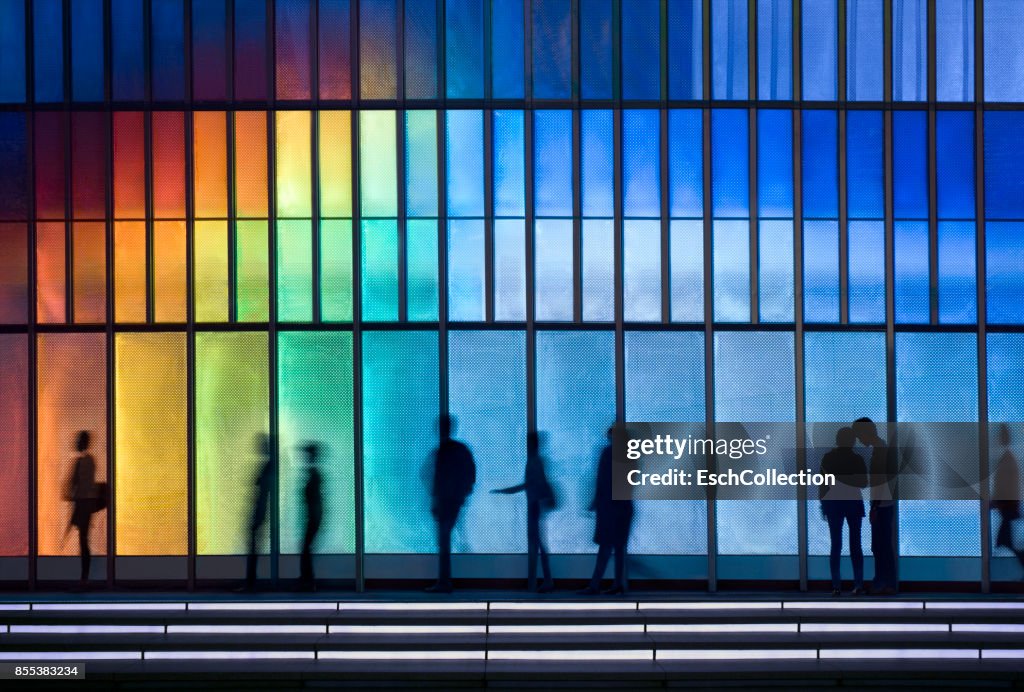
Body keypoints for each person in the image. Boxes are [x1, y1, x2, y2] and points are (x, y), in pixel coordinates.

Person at [492, 432, 557, 593]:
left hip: (535, 505)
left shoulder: (534, 462)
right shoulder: (537, 461)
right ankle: (541, 580)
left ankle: (542, 581)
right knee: (538, 544)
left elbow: (529, 485)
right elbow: (533, 484)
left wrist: (505, 491)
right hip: (536, 505)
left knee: (538, 544)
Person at [579, 426, 634, 596]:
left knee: (605, 547)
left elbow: (602, 481)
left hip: (610, 507)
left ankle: (596, 584)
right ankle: (618, 583)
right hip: (623, 507)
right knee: (618, 548)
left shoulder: (607, 454)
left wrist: (596, 502)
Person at [427, 415, 476, 593]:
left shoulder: (442, 451)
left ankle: (444, 581)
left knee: (444, 541)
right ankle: (445, 580)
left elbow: (438, 479)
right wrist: (463, 495)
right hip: (454, 501)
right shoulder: (460, 449)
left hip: (446, 502)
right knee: (446, 540)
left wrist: (436, 499)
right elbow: (470, 473)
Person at [819, 427, 868, 596]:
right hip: (853, 503)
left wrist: (823, 505)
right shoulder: (857, 459)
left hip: (834, 504)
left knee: (835, 545)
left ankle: (836, 586)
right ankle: (858, 584)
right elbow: (863, 483)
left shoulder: (828, 458)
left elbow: (823, 485)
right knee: (855, 545)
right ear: (852, 441)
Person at [853, 417, 898, 595]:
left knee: (881, 545)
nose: (859, 440)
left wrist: (875, 507)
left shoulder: (879, 452)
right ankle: (883, 582)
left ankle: (884, 583)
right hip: (884, 503)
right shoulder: (881, 449)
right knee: (882, 545)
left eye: (859, 435)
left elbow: (881, 481)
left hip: (882, 504)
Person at [65, 431, 106, 590]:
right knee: (84, 539)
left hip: (82, 505)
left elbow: (71, 487)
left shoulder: (80, 462)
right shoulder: (90, 461)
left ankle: (84, 577)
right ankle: (84, 576)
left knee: (83, 540)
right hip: (87, 505)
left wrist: (72, 495)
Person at [244, 434, 275, 591]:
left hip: (259, 512)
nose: (259, 448)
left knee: (253, 546)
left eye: (262, 445)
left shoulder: (268, 466)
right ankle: (251, 582)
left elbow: (262, 490)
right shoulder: (268, 465)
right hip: (259, 511)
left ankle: (251, 583)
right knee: (253, 546)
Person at [992, 424, 1024, 570]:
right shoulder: (1007, 458)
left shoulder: (1006, 459)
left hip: (1007, 507)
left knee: (1005, 541)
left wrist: (996, 502)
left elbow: (1006, 485)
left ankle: (990, 574)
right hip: (1008, 506)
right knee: (1005, 541)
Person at [299, 443, 324, 591]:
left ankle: (308, 582)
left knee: (306, 548)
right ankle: (307, 580)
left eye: (307, 455)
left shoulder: (314, 474)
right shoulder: (313, 473)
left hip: (313, 518)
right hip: (313, 517)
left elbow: (313, 499)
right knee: (306, 548)